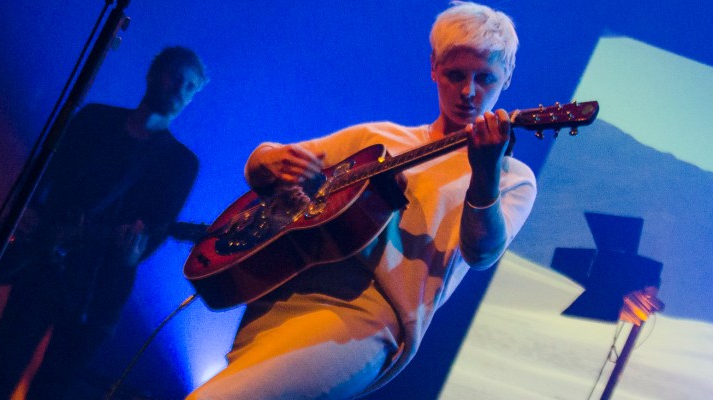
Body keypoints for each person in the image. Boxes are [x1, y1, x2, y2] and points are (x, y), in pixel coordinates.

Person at [187, 2, 536, 399]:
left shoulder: (512, 177)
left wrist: (485, 172)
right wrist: (272, 159)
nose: (469, 91)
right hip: (286, 285)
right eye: (455, 75)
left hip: (365, 316)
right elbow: (264, 164)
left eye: (485, 78)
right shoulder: (381, 137)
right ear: (434, 68)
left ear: (507, 78)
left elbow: (482, 253)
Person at [0, 46, 208, 400]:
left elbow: (157, 230)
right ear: (153, 74)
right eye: (176, 77)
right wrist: (28, 210)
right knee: (0, 371)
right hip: (43, 264)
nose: (180, 89)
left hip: (99, 289)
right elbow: (45, 171)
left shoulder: (180, 163)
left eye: (190, 86)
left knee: (54, 389)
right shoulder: (95, 120)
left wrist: (132, 253)